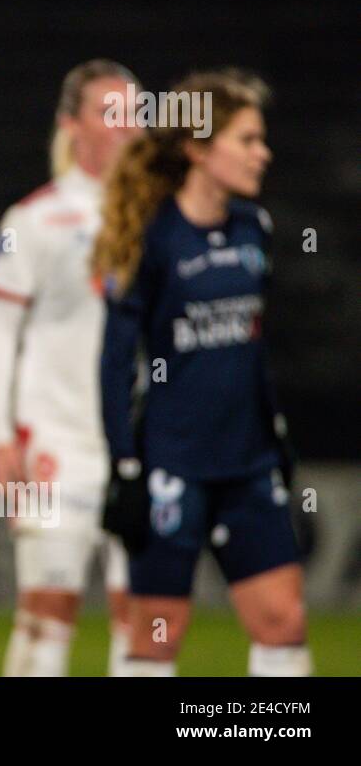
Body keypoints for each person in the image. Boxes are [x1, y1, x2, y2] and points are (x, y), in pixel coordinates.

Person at [94, 69, 310, 676]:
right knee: (158, 636)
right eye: (246, 139)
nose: (262, 153)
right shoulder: (150, 236)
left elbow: (252, 343)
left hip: (248, 464)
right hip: (172, 466)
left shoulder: (255, 229)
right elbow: (115, 362)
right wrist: (124, 465)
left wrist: (277, 432)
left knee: (284, 621)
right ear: (197, 148)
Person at [0, 59, 140, 675]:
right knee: (47, 618)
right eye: (111, 112)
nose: (129, 126)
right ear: (73, 125)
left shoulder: (167, 218)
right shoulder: (34, 219)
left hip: (142, 448)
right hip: (53, 443)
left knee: (144, 620)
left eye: (136, 112)